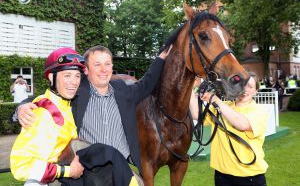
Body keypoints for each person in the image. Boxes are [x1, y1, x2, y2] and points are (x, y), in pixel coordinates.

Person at [15, 45, 171, 185]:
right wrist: (21, 108)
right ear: (86, 70)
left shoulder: (123, 91)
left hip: (120, 169)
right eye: (97, 64)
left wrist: (160, 59)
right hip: (88, 171)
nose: (104, 70)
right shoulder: (76, 91)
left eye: (107, 64)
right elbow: (49, 96)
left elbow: (146, 83)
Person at [10, 48, 85, 185]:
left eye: (77, 75)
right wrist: (67, 171)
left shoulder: (64, 105)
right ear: (51, 77)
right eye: (67, 75)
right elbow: (21, 166)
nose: (74, 82)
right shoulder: (44, 112)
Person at [190, 71, 269, 186]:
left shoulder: (259, 111)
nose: (244, 89)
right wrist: (191, 87)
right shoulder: (224, 106)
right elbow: (197, 114)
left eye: (250, 86)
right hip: (222, 176)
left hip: (250, 177)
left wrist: (216, 100)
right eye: (241, 85)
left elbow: (242, 124)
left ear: (256, 91)